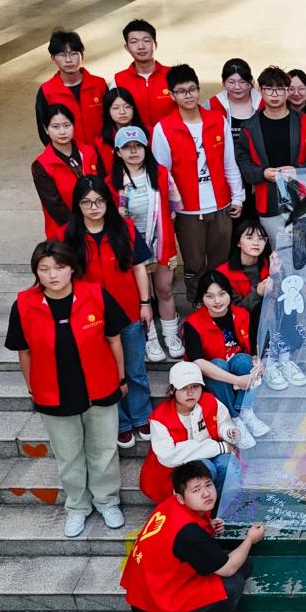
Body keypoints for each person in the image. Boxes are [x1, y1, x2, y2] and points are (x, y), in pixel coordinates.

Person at [5, 241, 128, 538]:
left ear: (72, 268)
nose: (52, 275)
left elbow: (114, 340)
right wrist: (32, 388)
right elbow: (24, 352)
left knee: (104, 450)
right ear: (36, 272)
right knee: (68, 455)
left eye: (59, 267)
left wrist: (121, 379)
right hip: (53, 393)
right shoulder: (24, 304)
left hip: (100, 387)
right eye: (44, 269)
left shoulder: (96, 295)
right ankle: (77, 506)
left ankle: (107, 502)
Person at [121, 460, 265, 612]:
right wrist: (250, 539)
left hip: (149, 588)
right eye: (196, 490)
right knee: (232, 582)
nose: (206, 493)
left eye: (208, 485)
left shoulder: (170, 504)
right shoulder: (189, 533)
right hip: (158, 600)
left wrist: (207, 526)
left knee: (239, 563)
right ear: (181, 497)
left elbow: (176, 542)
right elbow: (228, 569)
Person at [62, 176, 153, 448]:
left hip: (128, 310)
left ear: (108, 203)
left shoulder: (125, 229)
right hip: (92, 317)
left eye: (99, 201)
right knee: (109, 371)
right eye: (87, 202)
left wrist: (145, 303)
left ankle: (142, 416)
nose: (94, 208)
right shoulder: (68, 236)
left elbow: (139, 267)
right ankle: (121, 422)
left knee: (135, 369)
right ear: (77, 205)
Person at [152, 64, 245, 303]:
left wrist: (238, 197)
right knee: (193, 265)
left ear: (198, 89)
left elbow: (229, 162)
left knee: (220, 262)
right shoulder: (164, 129)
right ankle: (196, 304)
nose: (188, 95)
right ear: (172, 95)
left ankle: (221, 305)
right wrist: (170, 211)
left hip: (221, 205)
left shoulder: (217, 120)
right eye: (181, 91)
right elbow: (163, 176)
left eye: (192, 89)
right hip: (187, 212)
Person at [110, 126, 182, 362]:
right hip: (132, 245)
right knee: (143, 294)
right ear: (118, 152)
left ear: (146, 148)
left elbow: (174, 206)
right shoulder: (112, 182)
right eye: (127, 148)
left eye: (138, 146)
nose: (133, 152)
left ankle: (171, 335)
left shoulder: (160, 174)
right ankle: (150, 337)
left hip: (160, 242)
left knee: (165, 289)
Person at [236, 65, 306, 243]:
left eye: (280, 89)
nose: (274, 94)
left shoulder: (305, 123)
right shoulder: (250, 127)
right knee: (277, 252)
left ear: (287, 91)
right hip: (268, 200)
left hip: (303, 199)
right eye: (269, 89)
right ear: (260, 91)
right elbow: (243, 160)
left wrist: (298, 171)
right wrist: (262, 173)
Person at [140, 362, 248, 503]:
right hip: (177, 467)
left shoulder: (210, 401)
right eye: (184, 388)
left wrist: (228, 432)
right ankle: (197, 509)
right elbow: (169, 456)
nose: (190, 392)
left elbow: (223, 422)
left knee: (229, 465)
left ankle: (215, 506)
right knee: (204, 468)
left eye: (195, 386)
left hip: (211, 455)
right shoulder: (160, 418)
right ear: (172, 390)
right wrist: (219, 447)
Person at [182, 269, 268, 438]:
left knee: (245, 360)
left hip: (239, 372)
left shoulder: (242, 315)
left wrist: (259, 362)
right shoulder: (192, 323)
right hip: (214, 376)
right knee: (218, 364)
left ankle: (246, 412)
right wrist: (237, 381)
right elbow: (198, 362)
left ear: (229, 294)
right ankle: (233, 419)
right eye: (210, 296)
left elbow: (254, 350)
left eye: (222, 294)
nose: (217, 301)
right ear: (201, 298)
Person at [33, 103, 101, 239]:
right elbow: (55, 207)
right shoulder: (42, 165)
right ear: (46, 129)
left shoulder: (89, 152)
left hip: (98, 224)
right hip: (65, 231)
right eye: (55, 127)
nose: (62, 132)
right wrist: (82, 228)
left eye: (67, 125)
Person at [35, 29, 107, 148]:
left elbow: (111, 121)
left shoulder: (99, 84)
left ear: (82, 56)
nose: (68, 60)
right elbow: (43, 130)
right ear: (53, 58)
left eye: (74, 53)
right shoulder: (46, 91)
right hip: (69, 155)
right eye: (62, 55)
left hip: (101, 154)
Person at [215, 218, 271, 359]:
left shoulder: (269, 265)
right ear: (238, 242)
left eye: (261, 238)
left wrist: (277, 274)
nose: (256, 243)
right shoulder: (223, 273)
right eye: (249, 238)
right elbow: (230, 310)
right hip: (238, 327)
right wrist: (257, 294)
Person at [114, 19, 176, 131]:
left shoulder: (173, 75)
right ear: (127, 47)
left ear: (155, 44)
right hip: (136, 140)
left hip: (172, 138)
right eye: (134, 42)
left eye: (146, 40)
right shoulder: (118, 80)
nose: (141, 46)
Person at [206, 58, 262, 147]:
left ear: (250, 82)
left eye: (242, 82)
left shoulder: (263, 104)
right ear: (223, 83)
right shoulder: (211, 105)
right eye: (231, 82)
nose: (237, 87)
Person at [95, 86, 147, 180]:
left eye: (127, 107)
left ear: (133, 109)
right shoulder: (101, 142)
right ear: (108, 111)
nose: (122, 112)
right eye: (116, 108)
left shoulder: (148, 133)